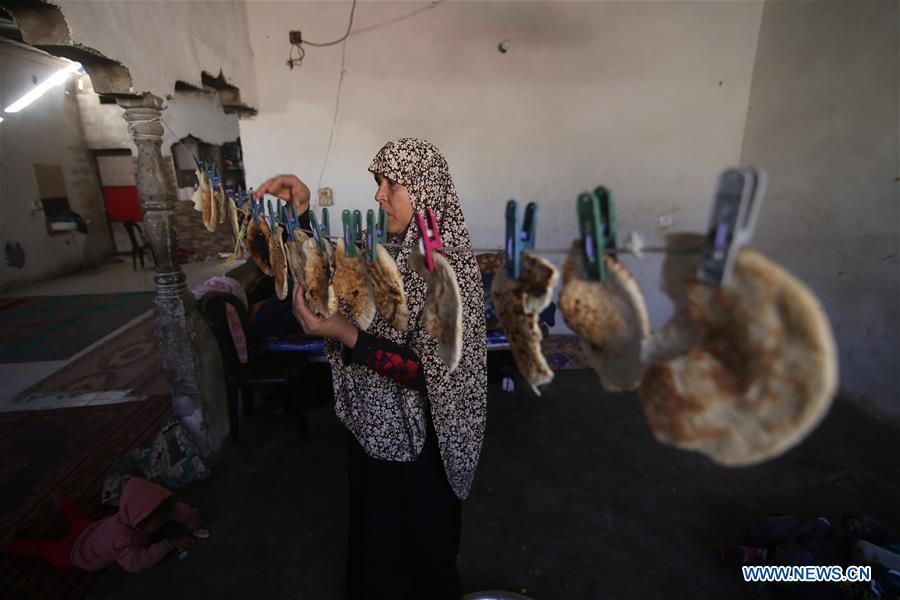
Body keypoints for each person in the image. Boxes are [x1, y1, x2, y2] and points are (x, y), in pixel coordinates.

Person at [254, 138, 488, 599]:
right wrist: (300, 217)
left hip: (420, 448)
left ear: (424, 190)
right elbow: (331, 283)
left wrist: (346, 336)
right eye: (378, 182)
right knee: (377, 545)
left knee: (416, 555)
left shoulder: (448, 271)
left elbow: (430, 375)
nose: (379, 195)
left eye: (391, 183)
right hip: (375, 432)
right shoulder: (389, 250)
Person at [3, 477, 201, 572]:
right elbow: (135, 563)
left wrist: (189, 515)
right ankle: (12, 545)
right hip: (78, 553)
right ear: (138, 521)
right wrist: (167, 545)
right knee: (47, 549)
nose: (166, 518)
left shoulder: (138, 513)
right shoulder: (123, 539)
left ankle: (64, 502)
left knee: (79, 520)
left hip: (93, 529)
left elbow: (171, 510)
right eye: (160, 519)